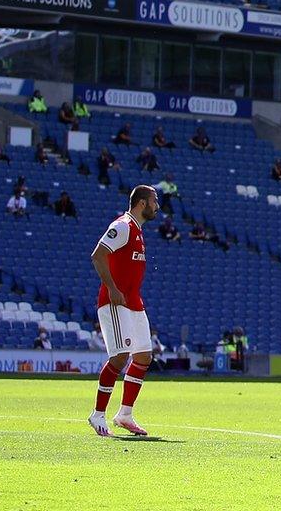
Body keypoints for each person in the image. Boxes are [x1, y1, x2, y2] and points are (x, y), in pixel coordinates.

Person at [90, 184, 160, 438]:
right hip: (116, 302)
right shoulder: (122, 226)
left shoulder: (138, 230)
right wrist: (111, 288)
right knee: (119, 358)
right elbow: (98, 256)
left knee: (143, 357)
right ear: (142, 203)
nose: (157, 206)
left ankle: (125, 414)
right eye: (154, 201)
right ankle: (98, 414)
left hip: (133, 302)